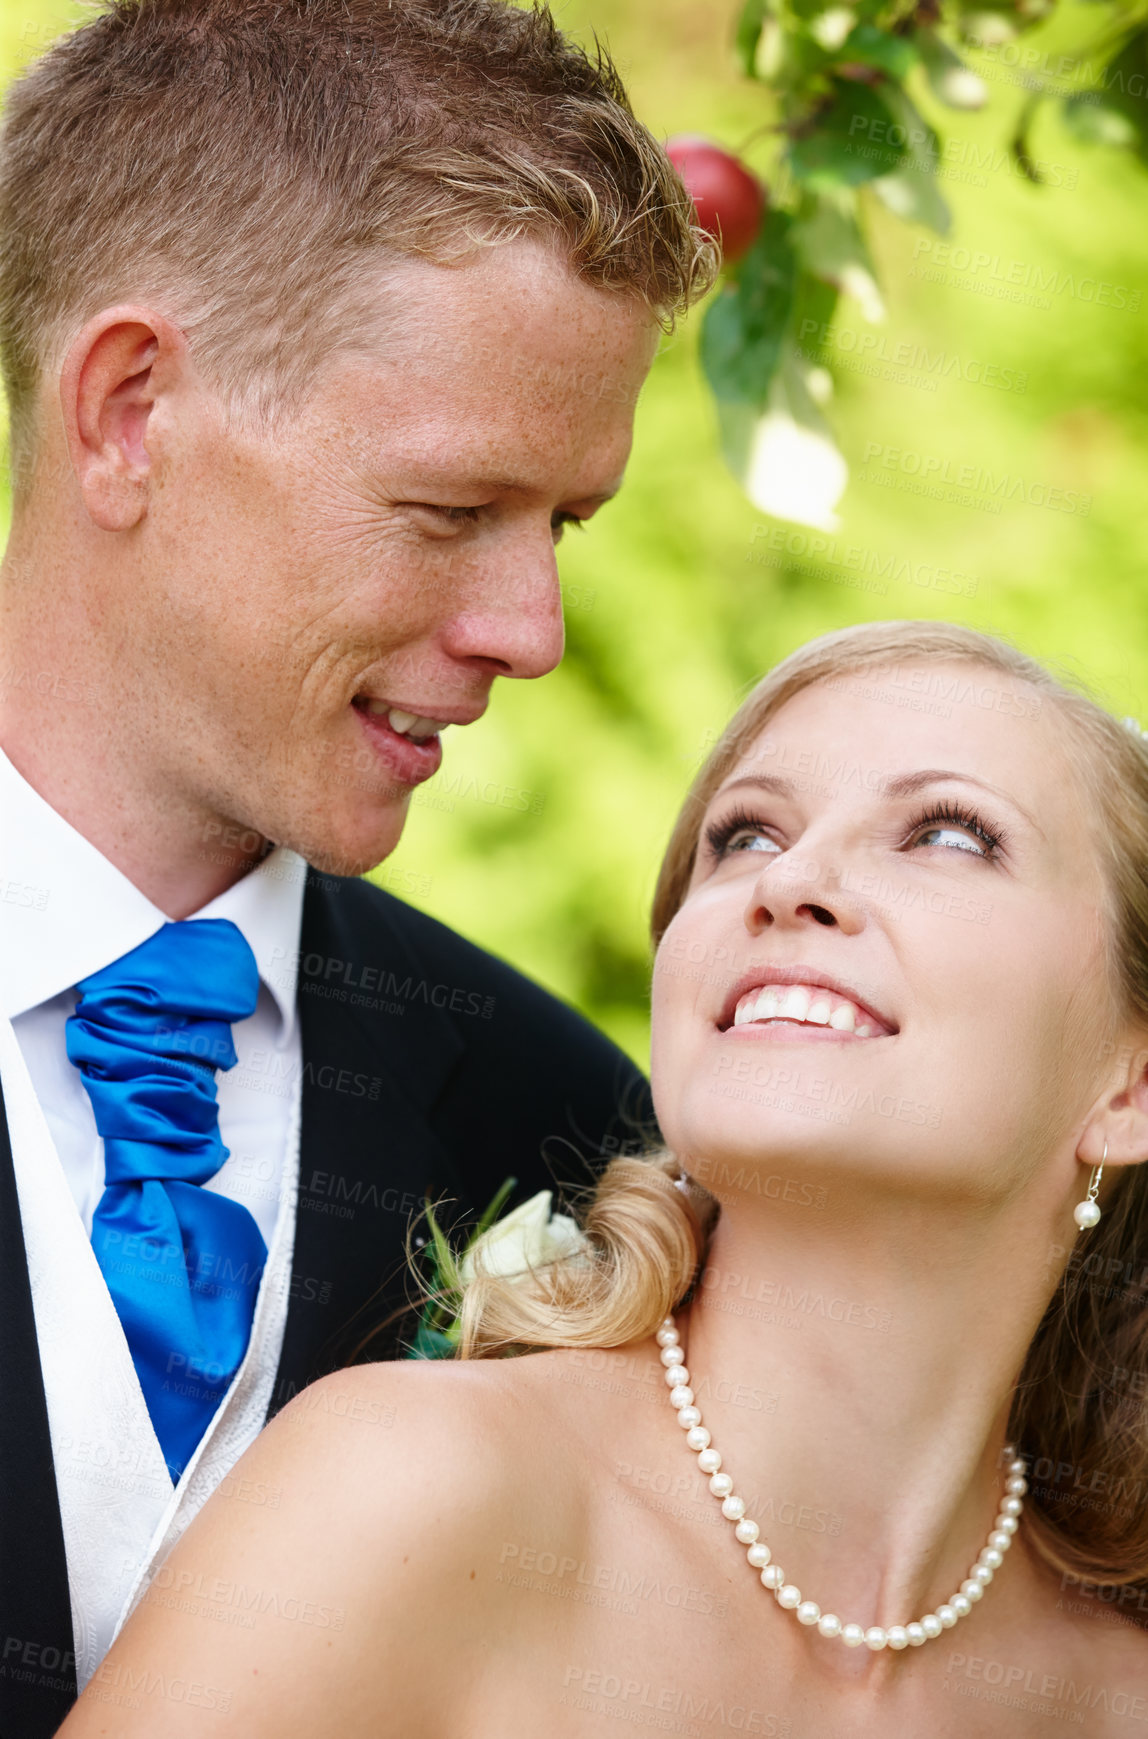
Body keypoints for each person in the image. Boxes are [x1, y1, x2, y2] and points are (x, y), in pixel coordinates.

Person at [0, 2, 716, 1731]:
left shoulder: (570, 1124)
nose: (531, 630)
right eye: (448, 509)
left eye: (565, 526)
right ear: (129, 410)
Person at [58, 620, 1148, 1736]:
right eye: (742, 834)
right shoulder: (419, 1488)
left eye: (949, 835)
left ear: (1130, 1082)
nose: (793, 878)